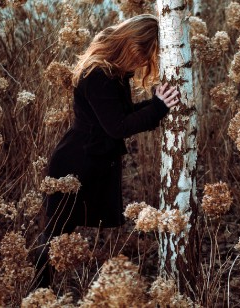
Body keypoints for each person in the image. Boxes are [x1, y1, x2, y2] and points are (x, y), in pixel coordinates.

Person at [35, 14, 179, 288]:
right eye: (143, 56)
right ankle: (37, 293)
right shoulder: (99, 74)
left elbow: (119, 115)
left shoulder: (112, 72)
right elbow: (117, 126)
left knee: (59, 233)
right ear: (132, 46)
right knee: (55, 234)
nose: (142, 64)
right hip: (75, 165)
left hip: (91, 160)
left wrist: (156, 104)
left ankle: (44, 290)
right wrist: (158, 108)